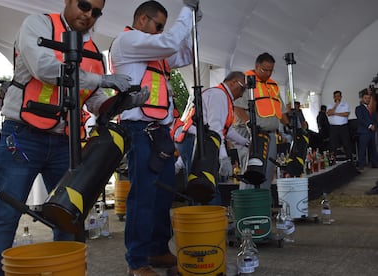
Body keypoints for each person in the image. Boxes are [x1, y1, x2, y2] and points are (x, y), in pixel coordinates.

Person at [0, 0, 150, 274]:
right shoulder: (39, 25)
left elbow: (94, 101)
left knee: (69, 216)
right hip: (22, 136)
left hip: (64, 143)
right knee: (6, 216)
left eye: (96, 12)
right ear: (68, 1)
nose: (88, 14)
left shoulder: (92, 52)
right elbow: (43, 67)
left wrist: (123, 102)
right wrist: (102, 80)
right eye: (84, 5)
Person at [109, 1, 202, 275]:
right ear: (141, 20)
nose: (162, 32)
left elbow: (184, 53)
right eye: (158, 26)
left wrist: (195, 18)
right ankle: (137, 261)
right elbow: (172, 43)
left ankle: (158, 250)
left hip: (159, 131)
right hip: (138, 131)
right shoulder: (128, 41)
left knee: (163, 195)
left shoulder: (156, 52)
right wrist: (186, 9)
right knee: (143, 196)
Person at [234, 52, 289, 190]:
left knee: (267, 171)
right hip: (250, 133)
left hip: (269, 135)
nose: (268, 73)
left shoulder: (272, 86)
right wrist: (249, 123)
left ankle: (263, 204)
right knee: (251, 170)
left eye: (271, 70)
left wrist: (291, 126)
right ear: (256, 66)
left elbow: (280, 111)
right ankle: (247, 207)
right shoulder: (246, 82)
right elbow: (237, 107)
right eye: (265, 70)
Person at [201, 71, 250, 204]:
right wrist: (223, 157)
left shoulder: (224, 96)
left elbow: (225, 129)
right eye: (243, 88)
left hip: (203, 141)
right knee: (206, 187)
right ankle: (213, 221)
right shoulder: (219, 95)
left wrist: (245, 142)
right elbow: (215, 130)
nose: (242, 94)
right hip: (197, 142)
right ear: (233, 82)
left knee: (210, 186)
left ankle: (213, 220)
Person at [355, 88, 378, 170]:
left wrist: (374, 125)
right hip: (364, 132)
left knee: (373, 148)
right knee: (363, 148)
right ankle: (361, 165)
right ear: (362, 99)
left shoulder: (372, 108)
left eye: (368, 98)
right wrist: (369, 126)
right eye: (365, 98)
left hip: (372, 131)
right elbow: (360, 120)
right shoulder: (358, 108)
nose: (367, 100)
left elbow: (376, 118)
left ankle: (375, 163)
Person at [326, 90, 353, 161]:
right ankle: (332, 161)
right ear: (333, 97)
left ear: (341, 97)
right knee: (333, 145)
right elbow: (329, 113)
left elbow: (346, 114)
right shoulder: (330, 105)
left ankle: (350, 161)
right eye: (335, 96)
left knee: (346, 144)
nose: (337, 98)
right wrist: (336, 105)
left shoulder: (345, 104)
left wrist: (335, 113)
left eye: (338, 96)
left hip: (343, 127)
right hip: (333, 128)